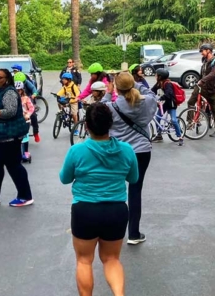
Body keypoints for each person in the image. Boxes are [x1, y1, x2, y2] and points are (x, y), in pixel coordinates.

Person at [59, 103, 139, 296]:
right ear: (110, 124)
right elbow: (133, 178)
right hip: (116, 211)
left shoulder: (77, 151)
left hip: (85, 210)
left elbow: (65, 178)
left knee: (84, 260)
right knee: (112, 259)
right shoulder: (127, 150)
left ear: (87, 126)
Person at [104, 71, 157, 245]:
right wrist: (135, 83)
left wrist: (108, 91)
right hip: (142, 151)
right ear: (133, 85)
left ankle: (111, 231)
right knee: (135, 191)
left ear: (116, 88)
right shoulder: (146, 102)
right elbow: (151, 94)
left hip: (119, 152)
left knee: (114, 189)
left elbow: (100, 110)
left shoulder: (111, 107)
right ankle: (133, 233)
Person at [0, 69, 33, 207]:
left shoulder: (9, 92)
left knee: (14, 167)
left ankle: (25, 196)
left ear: (7, 79)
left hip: (9, 137)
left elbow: (10, 112)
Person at [186, 43, 215, 137]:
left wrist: (203, 80)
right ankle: (190, 122)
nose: (201, 53)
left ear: (208, 51)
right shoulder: (205, 61)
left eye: (202, 51)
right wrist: (199, 81)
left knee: (214, 108)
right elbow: (202, 74)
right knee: (190, 102)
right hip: (201, 86)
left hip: (211, 88)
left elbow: (213, 74)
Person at [151, 68, 184, 146]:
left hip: (171, 104)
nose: (155, 76)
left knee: (174, 120)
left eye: (156, 75)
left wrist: (160, 98)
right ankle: (159, 135)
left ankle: (180, 137)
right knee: (157, 118)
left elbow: (168, 94)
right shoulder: (159, 83)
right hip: (164, 104)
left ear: (160, 76)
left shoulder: (167, 83)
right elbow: (152, 90)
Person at [14, 71, 41, 143]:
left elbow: (33, 88)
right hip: (18, 102)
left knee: (34, 117)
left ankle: (36, 133)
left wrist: (34, 94)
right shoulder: (13, 84)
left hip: (27, 100)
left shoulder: (27, 82)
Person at [15, 81, 35, 161]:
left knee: (25, 137)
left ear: (22, 90)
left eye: (19, 90)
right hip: (16, 121)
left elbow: (31, 108)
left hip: (25, 121)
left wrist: (28, 115)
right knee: (16, 138)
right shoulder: (12, 99)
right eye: (16, 90)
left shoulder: (26, 99)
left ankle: (26, 152)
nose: (18, 92)